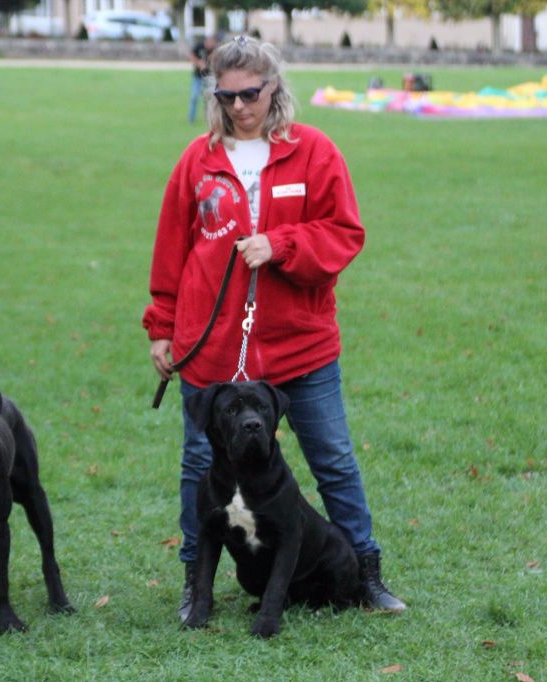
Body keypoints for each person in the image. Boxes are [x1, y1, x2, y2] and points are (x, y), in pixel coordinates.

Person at [143, 35, 406, 622]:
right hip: (210, 355)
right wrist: (162, 327)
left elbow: (344, 234)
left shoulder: (313, 152)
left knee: (333, 459)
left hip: (300, 348)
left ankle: (365, 572)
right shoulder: (197, 161)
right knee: (197, 469)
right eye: (227, 95)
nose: (239, 107)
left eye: (251, 94)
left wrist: (282, 243)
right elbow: (172, 251)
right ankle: (196, 581)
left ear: (274, 87)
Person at [188, 35, 217, 124]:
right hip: (198, 77)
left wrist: (210, 61)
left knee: (208, 99)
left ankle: (208, 117)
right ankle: (191, 119)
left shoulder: (215, 50)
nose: (211, 45)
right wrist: (199, 63)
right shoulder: (199, 47)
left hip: (209, 77)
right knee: (194, 97)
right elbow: (191, 55)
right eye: (209, 43)